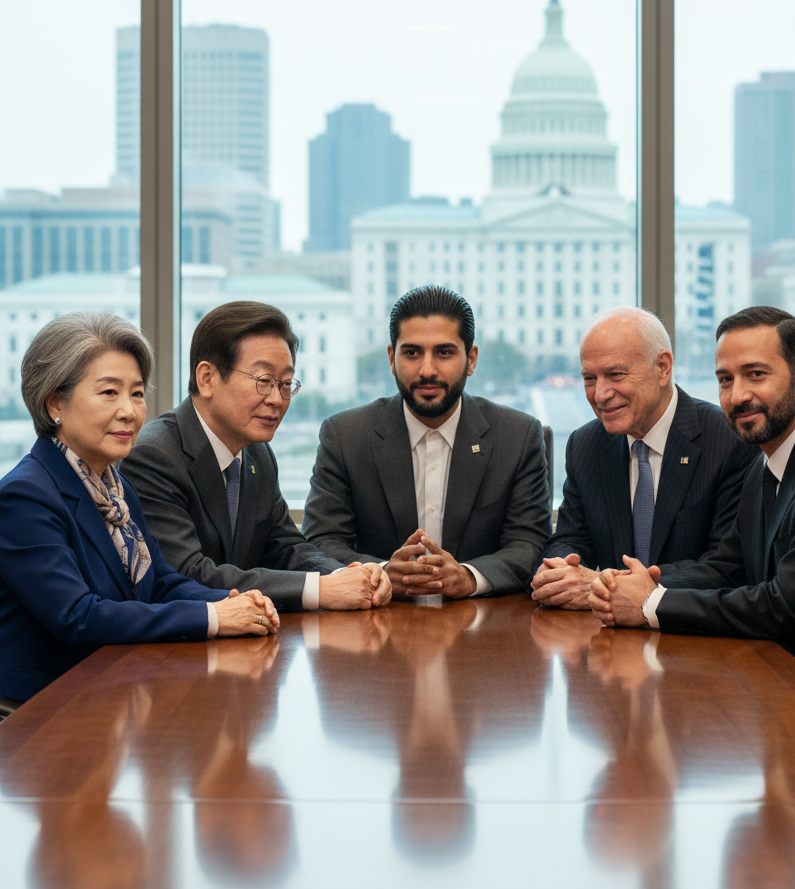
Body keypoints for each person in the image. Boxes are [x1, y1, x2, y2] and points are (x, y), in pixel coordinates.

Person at [0, 312, 279, 704]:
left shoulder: (117, 488)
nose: (130, 411)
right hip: (42, 710)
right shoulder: (24, 496)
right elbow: (78, 617)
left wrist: (232, 601)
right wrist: (213, 619)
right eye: (109, 392)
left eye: (136, 393)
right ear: (53, 403)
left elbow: (161, 582)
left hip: (112, 690)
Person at [588, 306, 795, 701]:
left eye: (756, 375)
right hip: (777, 684)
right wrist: (625, 585)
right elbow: (728, 567)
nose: (737, 396)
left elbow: (783, 606)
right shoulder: (765, 462)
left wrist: (652, 603)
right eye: (724, 379)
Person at [122, 301, 390, 612]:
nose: (277, 399)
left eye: (286, 384)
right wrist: (320, 589)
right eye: (264, 381)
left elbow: (286, 546)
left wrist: (350, 575)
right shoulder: (154, 456)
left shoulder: (257, 453)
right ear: (207, 378)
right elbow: (190, 574)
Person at [302, 285, 552, 598]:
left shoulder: (517, 436)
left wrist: (469, 577)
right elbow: (320, 542)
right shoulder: (345, 436)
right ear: (392, 358)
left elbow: (530, 543)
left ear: (471, 359)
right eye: (412, 353)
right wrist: (381, 572)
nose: (427, 370)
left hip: (486, 626)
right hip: (376, 625)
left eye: (444, 352)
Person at [531, 306, 756, 610]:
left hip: (691, 634)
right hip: (605, 636)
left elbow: (724, 566)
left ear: (663, 367)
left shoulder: (728, 439)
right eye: (589, 378)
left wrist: (610, 586)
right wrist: (561, 568)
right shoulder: (585, 444)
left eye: (615, 374)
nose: (600, 394)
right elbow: (571, 538)